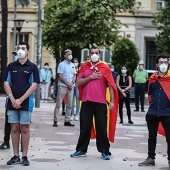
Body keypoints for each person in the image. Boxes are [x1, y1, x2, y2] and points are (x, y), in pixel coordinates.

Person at [70, 47, 118, 160]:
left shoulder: (104, 67)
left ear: (100, 55)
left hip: (100, 102)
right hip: (86, 102)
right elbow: (78, 82)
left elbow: (111, 85)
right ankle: (81, 149)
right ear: (89, 54)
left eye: (96, 53)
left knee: (101, 128)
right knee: (84, 126)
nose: (94, 55)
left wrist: (112, 101)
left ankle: (105, 151)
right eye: (92, 53)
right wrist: (91, 77)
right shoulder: (85, 67)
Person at [2, 42, 40, 166]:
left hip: (26, 103)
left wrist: (20, 100)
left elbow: (34, 85)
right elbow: (6, 83)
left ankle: (24, 156)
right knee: (14, 128)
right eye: (18, 48)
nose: (20, 50)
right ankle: (15, 155)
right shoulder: (11, 66)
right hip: (12, 103)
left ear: (27, 51)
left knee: (24, 128)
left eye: (23, 48)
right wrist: (13, 99)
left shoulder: (33, 67)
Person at [138, 55, 170, 168]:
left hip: (167, 113)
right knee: (151, 136)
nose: (163, 64)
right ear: (157, 64)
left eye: (165, 62)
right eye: (161, 62)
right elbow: (150, 94)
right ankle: (151, 158)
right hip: (152, 112)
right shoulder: (153, 78)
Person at [53, 49, 76, 127]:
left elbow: (74, 75)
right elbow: (60, 76)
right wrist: (68, 84)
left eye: (71, 54)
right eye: (68, 54)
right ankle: (55, 120)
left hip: (71, 86)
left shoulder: (73, 65)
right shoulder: (61, 64)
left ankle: (67, 120)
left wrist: (72, 83)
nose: (70, 55)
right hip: (63, 86)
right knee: (58, 103)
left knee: (69, 104)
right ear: (65, 55)